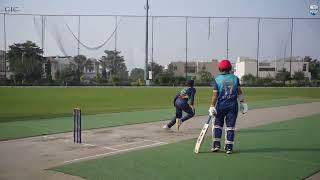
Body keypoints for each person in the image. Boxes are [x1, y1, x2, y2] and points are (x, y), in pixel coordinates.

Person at [208, 59, 248, 154]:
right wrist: (242, 103)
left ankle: (216, 145)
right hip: (233, 106)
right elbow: (239, 92)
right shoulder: (235, 78)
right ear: (230, 68)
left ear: (220, 68)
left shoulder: (217, 79)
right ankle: (229, 147)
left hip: (221, 106)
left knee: (217, 125)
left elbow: (215, 95)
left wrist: (212, 106)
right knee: (230, 126)